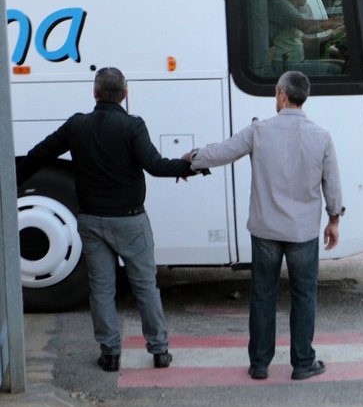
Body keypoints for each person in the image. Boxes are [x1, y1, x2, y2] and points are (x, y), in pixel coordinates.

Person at [16, 67, 199, 372]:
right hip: (130, 220)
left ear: (95, 93)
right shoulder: (132, 126)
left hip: (91, 221)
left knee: (101, 289)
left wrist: (12, 181)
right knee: (145, 286)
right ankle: (159, 351)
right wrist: (189, 166)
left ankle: (110, 353)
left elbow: (38, 155)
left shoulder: (77, 126)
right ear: (125, 95)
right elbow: (155, 165)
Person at [185, 71, 343, 381]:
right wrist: (334, 220)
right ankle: (302, 362)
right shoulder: (321, 136)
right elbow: (332, 185)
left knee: (262, 296)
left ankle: (259, 363)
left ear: (283, 96)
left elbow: (221, 153)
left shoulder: (259, 131)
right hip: (302, 233)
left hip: (266, 231)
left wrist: (192, 158)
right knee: (303, 297)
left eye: (275, 93)